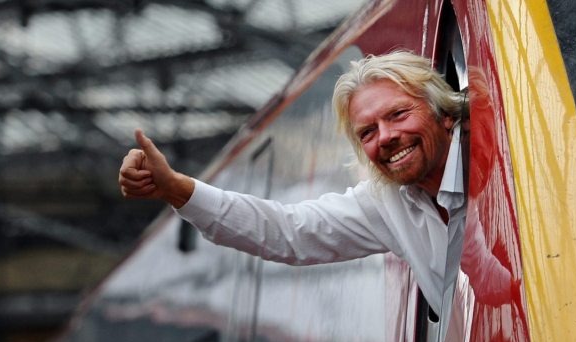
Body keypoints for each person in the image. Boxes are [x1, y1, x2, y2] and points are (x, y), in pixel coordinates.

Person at [118, 51, 467, 316]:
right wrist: (175, 189)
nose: (387, 137)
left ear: (445, 113)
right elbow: (288, 231)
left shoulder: (504, 158)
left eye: (398, 115)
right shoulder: (386, 203)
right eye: (368, 132)